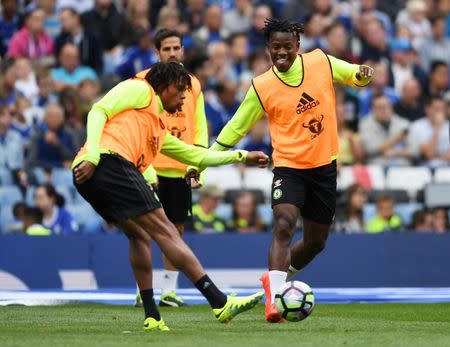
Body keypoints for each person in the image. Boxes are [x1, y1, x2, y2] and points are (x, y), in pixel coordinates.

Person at [72, 62, 268, 331]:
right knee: (167, 231)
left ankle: (152, 316)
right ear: (164, 88)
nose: (184, 97)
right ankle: (219, 301)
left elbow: (197, 155)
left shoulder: (156, 129)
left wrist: (242, 156)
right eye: (180, 90)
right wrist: (93, 153)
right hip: (106, 162)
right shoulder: (141, 90)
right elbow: (98, 110)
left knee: (139, 236)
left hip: (93, 177)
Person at [208, 18, 373, 323]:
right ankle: (275, 298)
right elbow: (236, 126)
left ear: (298, 45)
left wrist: (363, 75)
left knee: (315, 242)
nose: (281, 52)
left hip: (324, 166)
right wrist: (206, 161)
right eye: (275, 47)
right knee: (284, 224)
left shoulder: (320, 61)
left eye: (287, 46)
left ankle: (274, 282)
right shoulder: (262, 85)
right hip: (288, 166)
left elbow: (353, 76)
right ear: (268, 49)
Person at [134, 28, 209, 308]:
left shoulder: (194, 84)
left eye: (176, 48)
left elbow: (199, 128)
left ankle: (168, 292)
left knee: (175, 229)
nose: (173, 53)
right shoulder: (143, 81)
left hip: (179, 168)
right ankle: (143, 292)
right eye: (166, 49)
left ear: (183, 50)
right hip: (147, 166)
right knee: (142, 230)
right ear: (157, 53)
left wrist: (197, 163)